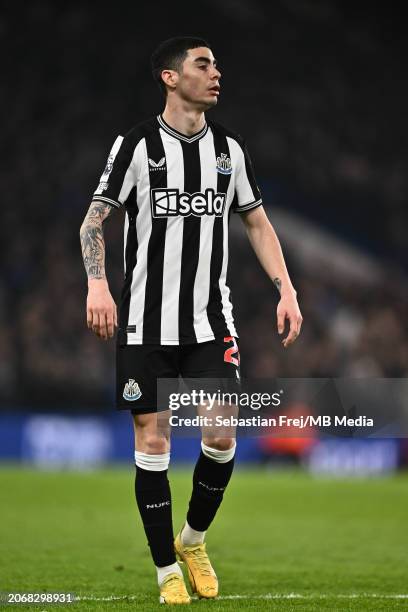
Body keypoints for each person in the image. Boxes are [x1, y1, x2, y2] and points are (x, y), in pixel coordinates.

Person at [80, 36, 302, 605]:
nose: (216, 72)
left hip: (209, 322)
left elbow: (256, 222)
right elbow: (93, 221)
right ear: (170, 78)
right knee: (154, 440)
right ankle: (164, 571)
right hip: (145, 324)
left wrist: (286, 288)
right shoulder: (135, 146)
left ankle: (193, 540)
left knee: (222, 432)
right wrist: (98, 284)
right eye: (203, 64)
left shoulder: (229, 149)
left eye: (217, 64)